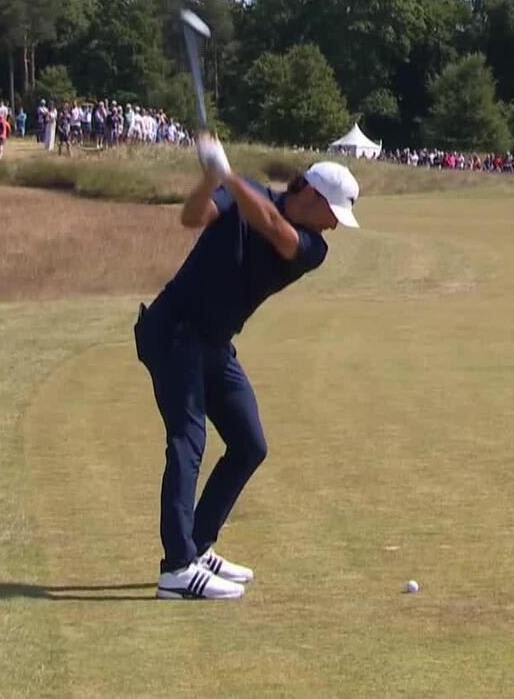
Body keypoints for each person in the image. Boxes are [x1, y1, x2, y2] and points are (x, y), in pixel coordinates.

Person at [133, 135, 360, 600]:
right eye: (333, 215)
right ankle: (177, 568)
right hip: (175, 332)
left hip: (215, 343)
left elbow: (275, 226)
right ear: (312, 196)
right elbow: (192, 217)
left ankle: (196, 544)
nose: (335, 227)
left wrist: (229, 176)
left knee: (249, 444)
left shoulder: (312, 247)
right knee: (187, 442)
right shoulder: (245, 193)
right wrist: (211, 179)